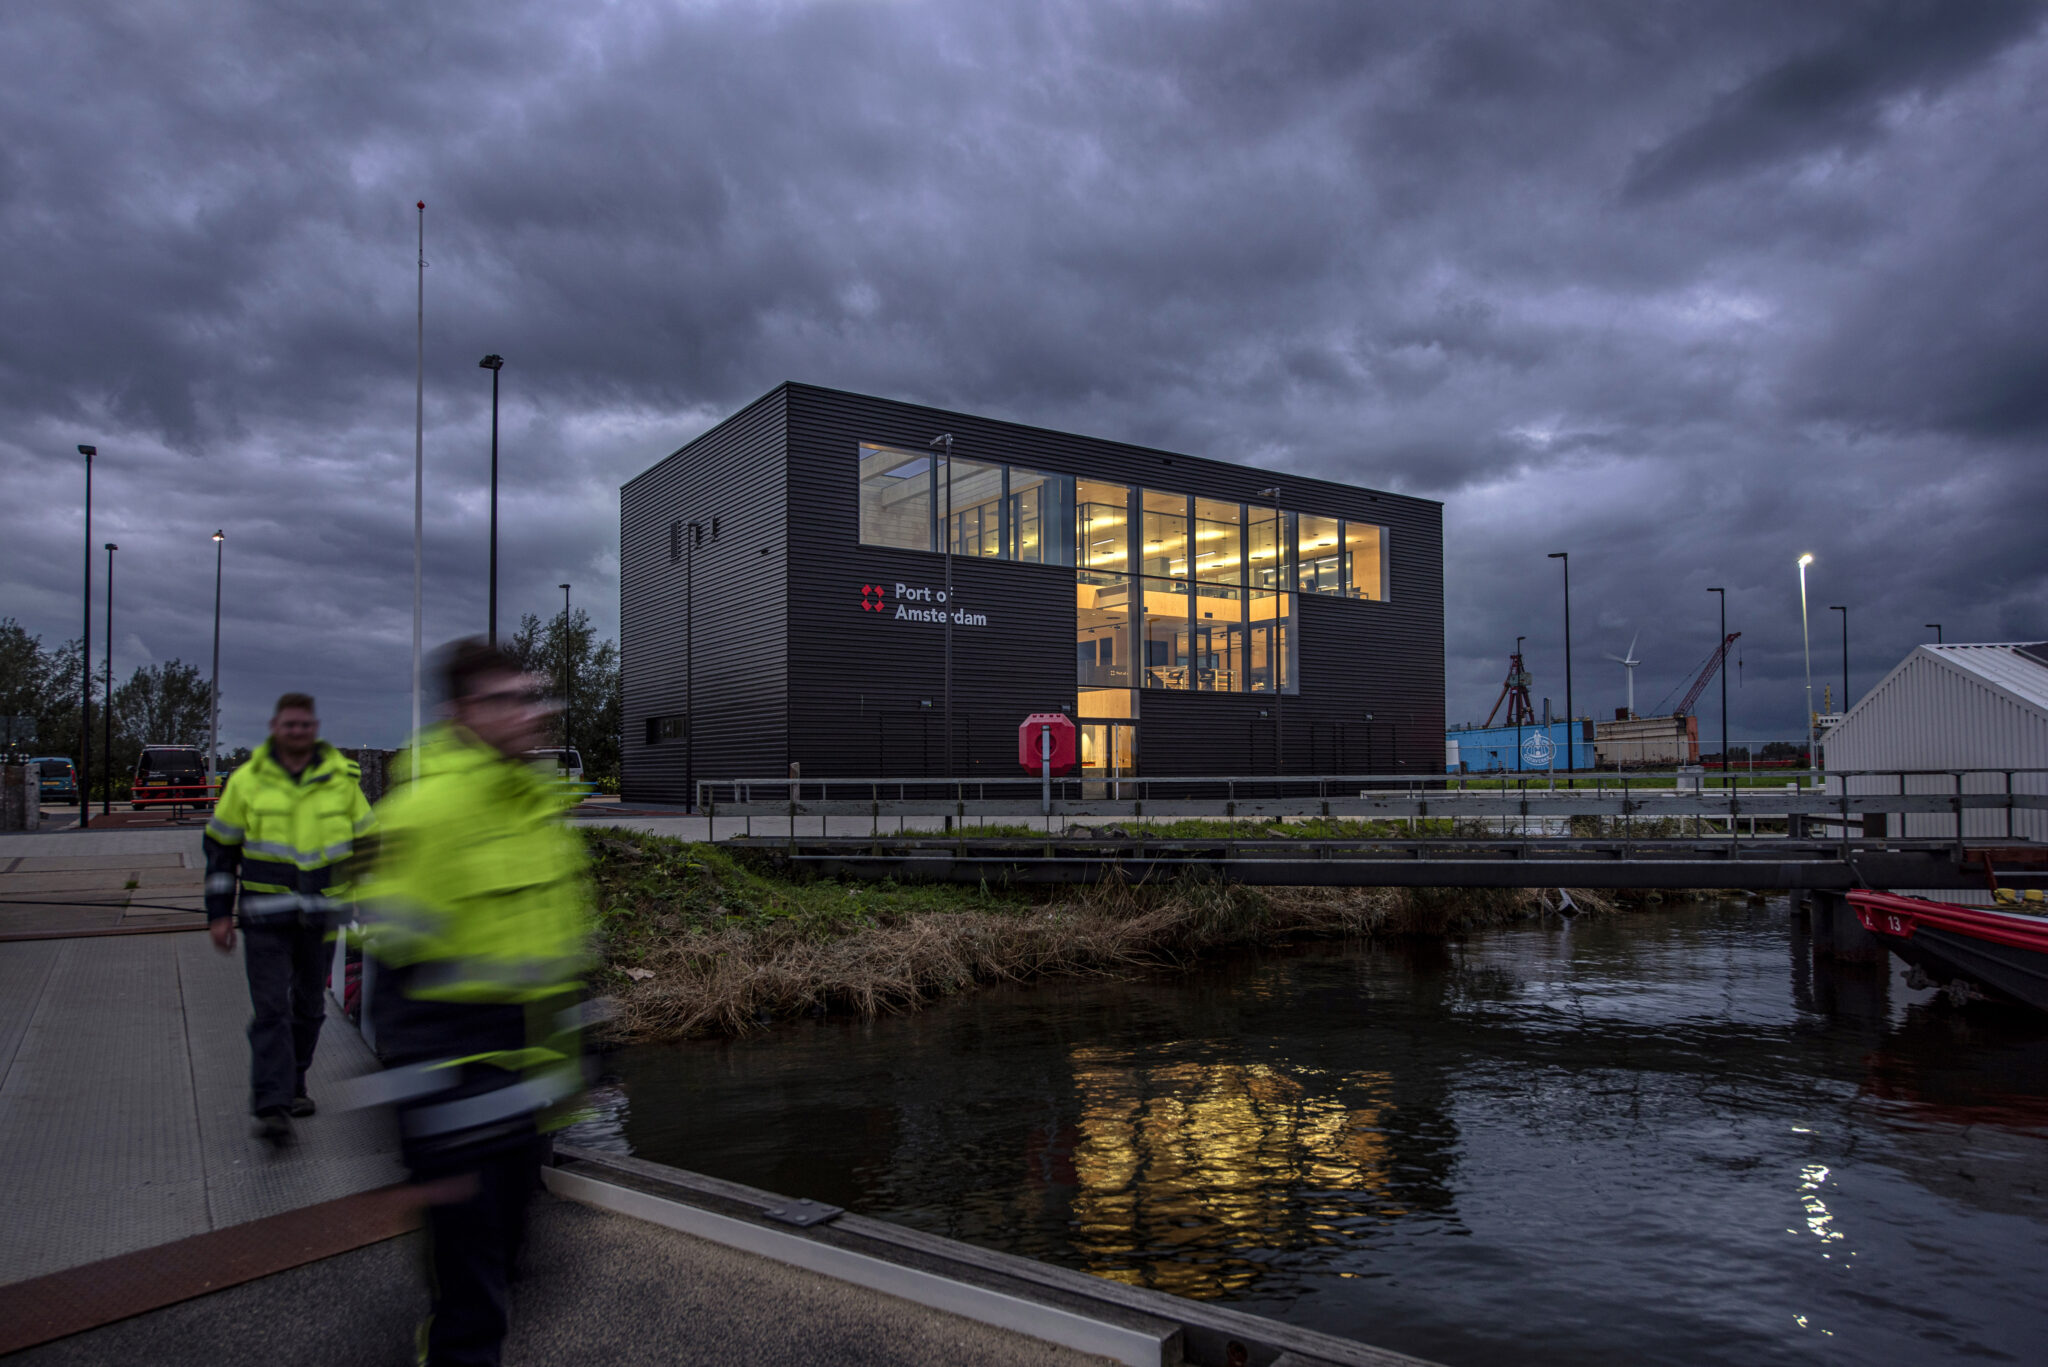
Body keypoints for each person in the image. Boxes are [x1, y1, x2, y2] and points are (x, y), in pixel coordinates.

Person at [360, 639, 592, 1367]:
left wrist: (586, 1059)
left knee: (513, 1271)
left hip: (530, 1105)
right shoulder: (425, 816)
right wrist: (427, 1134)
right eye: (507, 699)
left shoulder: (539, 812)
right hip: (460, 1105)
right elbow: (393, 991)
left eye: (532, 697)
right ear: (463, 711)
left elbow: (565, 957)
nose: (529, 714)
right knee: (473, 1305)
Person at [204, 692, 373, 1144]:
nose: (297, 732)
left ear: (313, 728)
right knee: (271, 1010)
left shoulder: (342, 783)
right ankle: (273, 1104)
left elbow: (368, 848)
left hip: (320, 917)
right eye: (289, 725)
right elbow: (221, 850)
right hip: (264, 917)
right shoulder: (246, 782)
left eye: (304, 725)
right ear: (275, 728)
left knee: (309, 1007)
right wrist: (218, 914)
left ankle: (296, 1081)